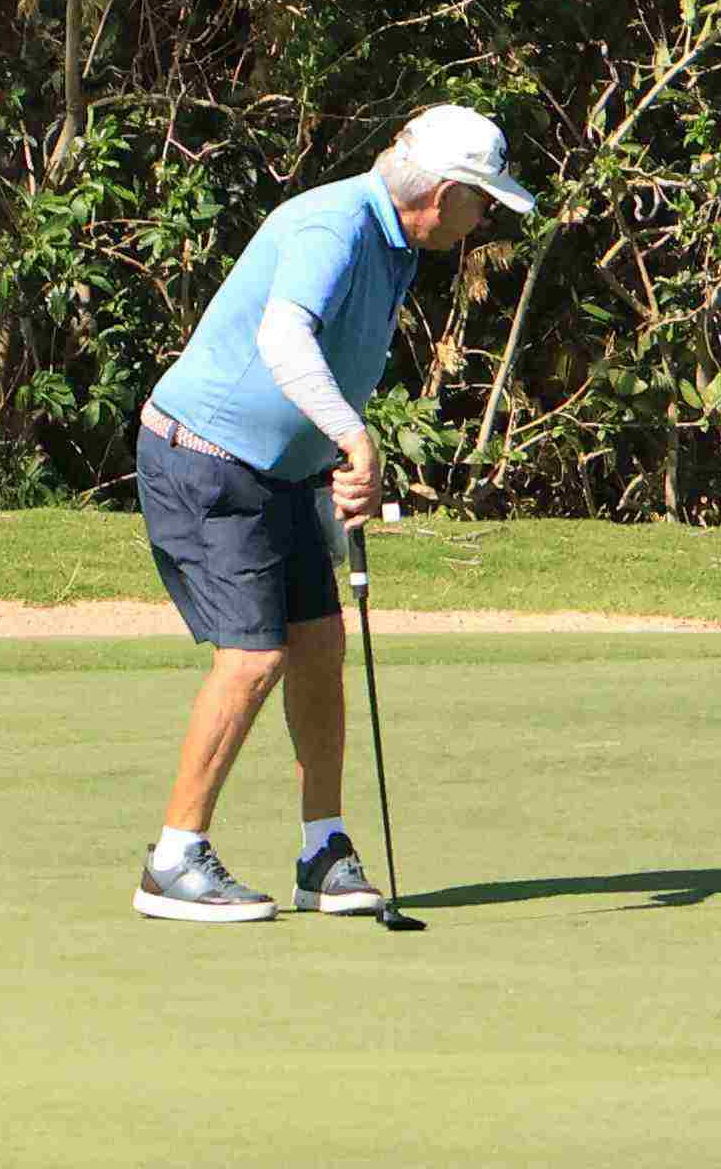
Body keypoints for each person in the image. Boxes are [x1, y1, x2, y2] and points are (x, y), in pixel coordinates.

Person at [130, 104, 537, 923]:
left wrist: (332, 463)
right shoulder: (334, 222)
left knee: (318, 645)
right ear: (445, 191)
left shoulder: (396, 244)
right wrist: (356, 439)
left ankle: (324, 853)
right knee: (252, 657)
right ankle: (172, 860)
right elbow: (285, 339)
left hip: (283, 475)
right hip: (207, 459)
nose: (484, 217)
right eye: (481, 200)